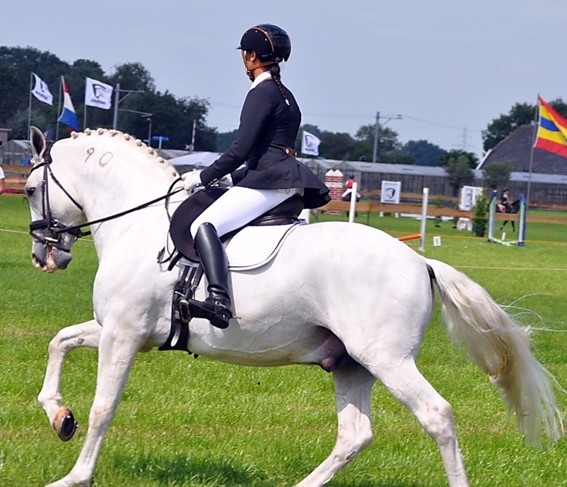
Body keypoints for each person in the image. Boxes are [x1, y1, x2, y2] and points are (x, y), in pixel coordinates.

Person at [181, 24, 330, 329]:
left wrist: (202, 176)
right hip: (286, 179)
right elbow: (266, 151)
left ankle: (218, 301)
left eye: (244, 55)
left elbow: (240, 149)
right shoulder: (286, 95)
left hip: (271, 181)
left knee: (202, 224)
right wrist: (231, 179)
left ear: (250, 57)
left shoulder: (260, 93)